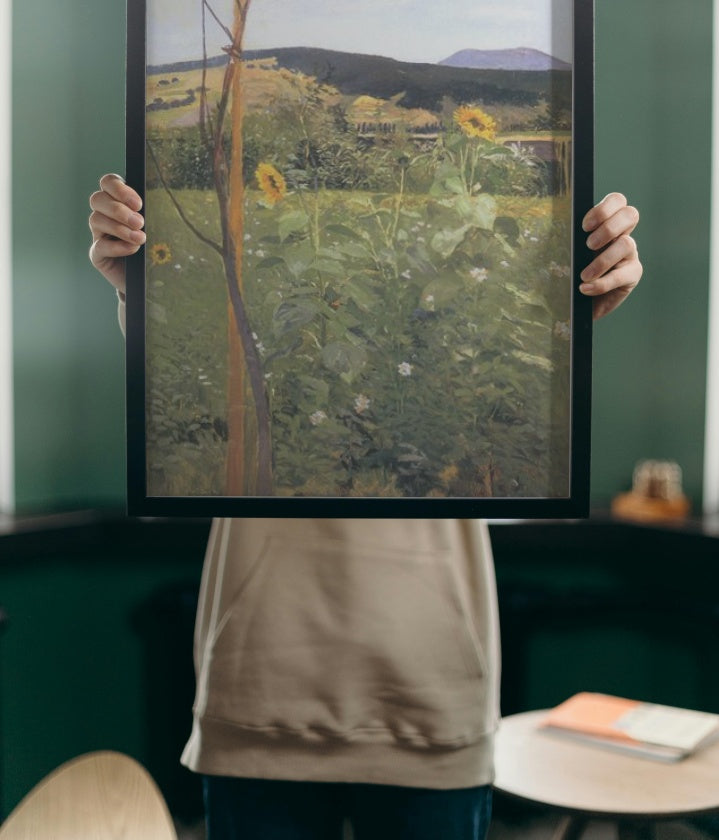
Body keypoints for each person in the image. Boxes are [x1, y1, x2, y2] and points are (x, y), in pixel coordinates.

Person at [89, 176, 642, 840]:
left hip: (430, 687)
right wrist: (142, 285)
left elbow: (505, 419)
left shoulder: (459, 280)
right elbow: (195, 383)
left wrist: (567, 315)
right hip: (264, 683)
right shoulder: (249, 259)